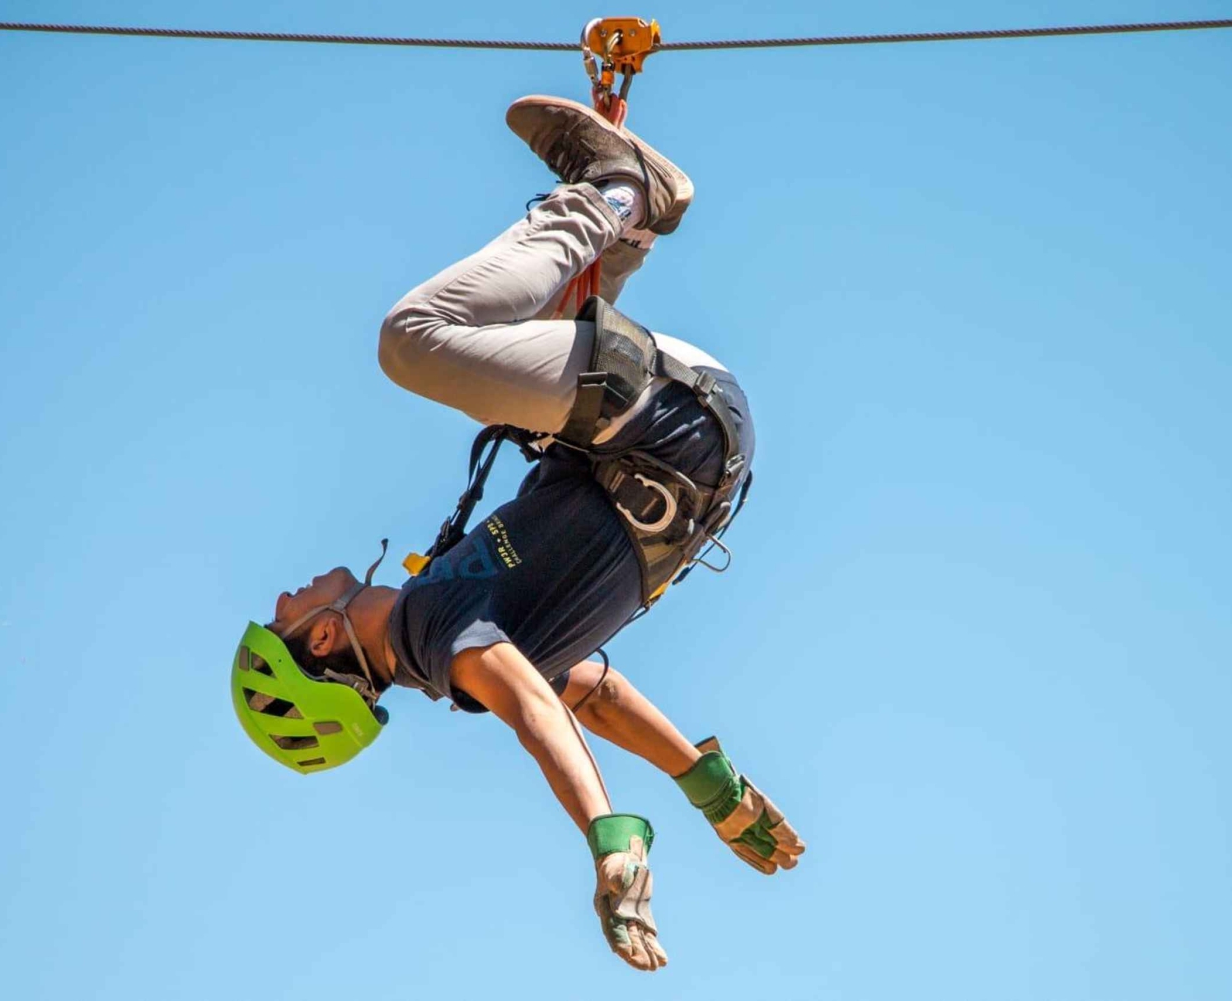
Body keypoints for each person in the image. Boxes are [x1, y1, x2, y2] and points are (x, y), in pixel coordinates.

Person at [230, 95, 805, 971]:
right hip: (667, 429)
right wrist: (609, 834)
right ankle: (617, 191)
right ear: (320, 637)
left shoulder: (457, 648)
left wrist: (708, 783)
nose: (283, 593)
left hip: (690, 450)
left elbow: (586, 694)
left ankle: (625, 228)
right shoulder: (434, 632)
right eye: (284, 614)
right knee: (410, 341)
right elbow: (539, 710)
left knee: (509, 377)